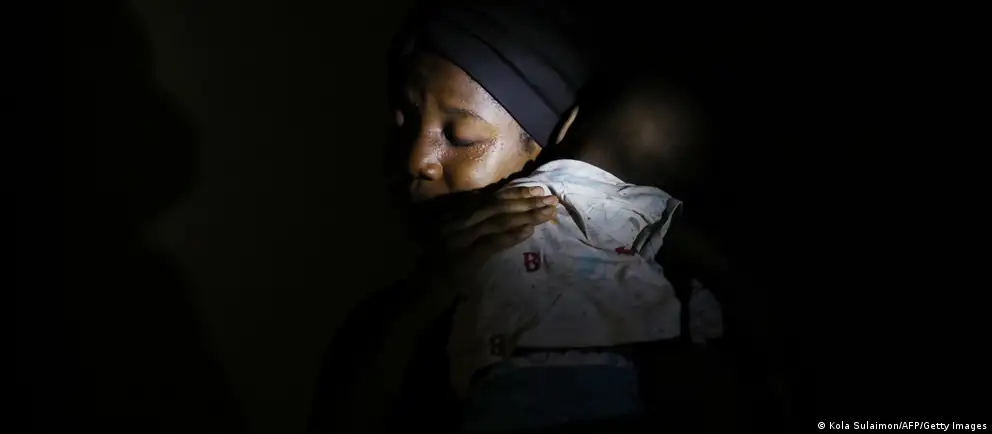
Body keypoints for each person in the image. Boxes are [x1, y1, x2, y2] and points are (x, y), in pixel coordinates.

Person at [308, 2, 592, 433]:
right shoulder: (382, 327)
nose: (416, 160)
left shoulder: (619, 319)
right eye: (404, 123)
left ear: (553, 149)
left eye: (461, 137)